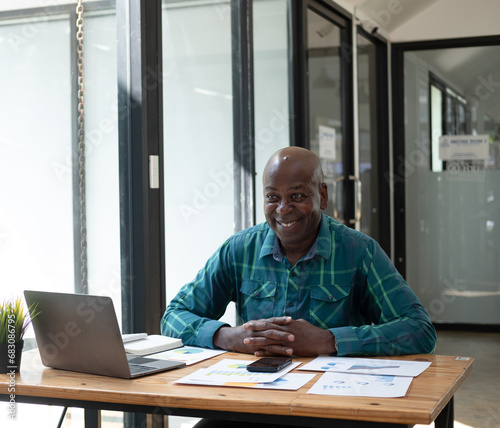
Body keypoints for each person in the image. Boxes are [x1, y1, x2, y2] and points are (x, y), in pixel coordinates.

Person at [161, 146, 436, 358]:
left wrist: (329, 340)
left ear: (323, 196)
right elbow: (173, 316)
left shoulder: (358, 251)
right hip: (259, 399)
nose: (282, 208)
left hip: (334, 401)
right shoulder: (239, 249)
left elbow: (420, 330)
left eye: (297, 196)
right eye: (272, 197)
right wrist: (227, 336)